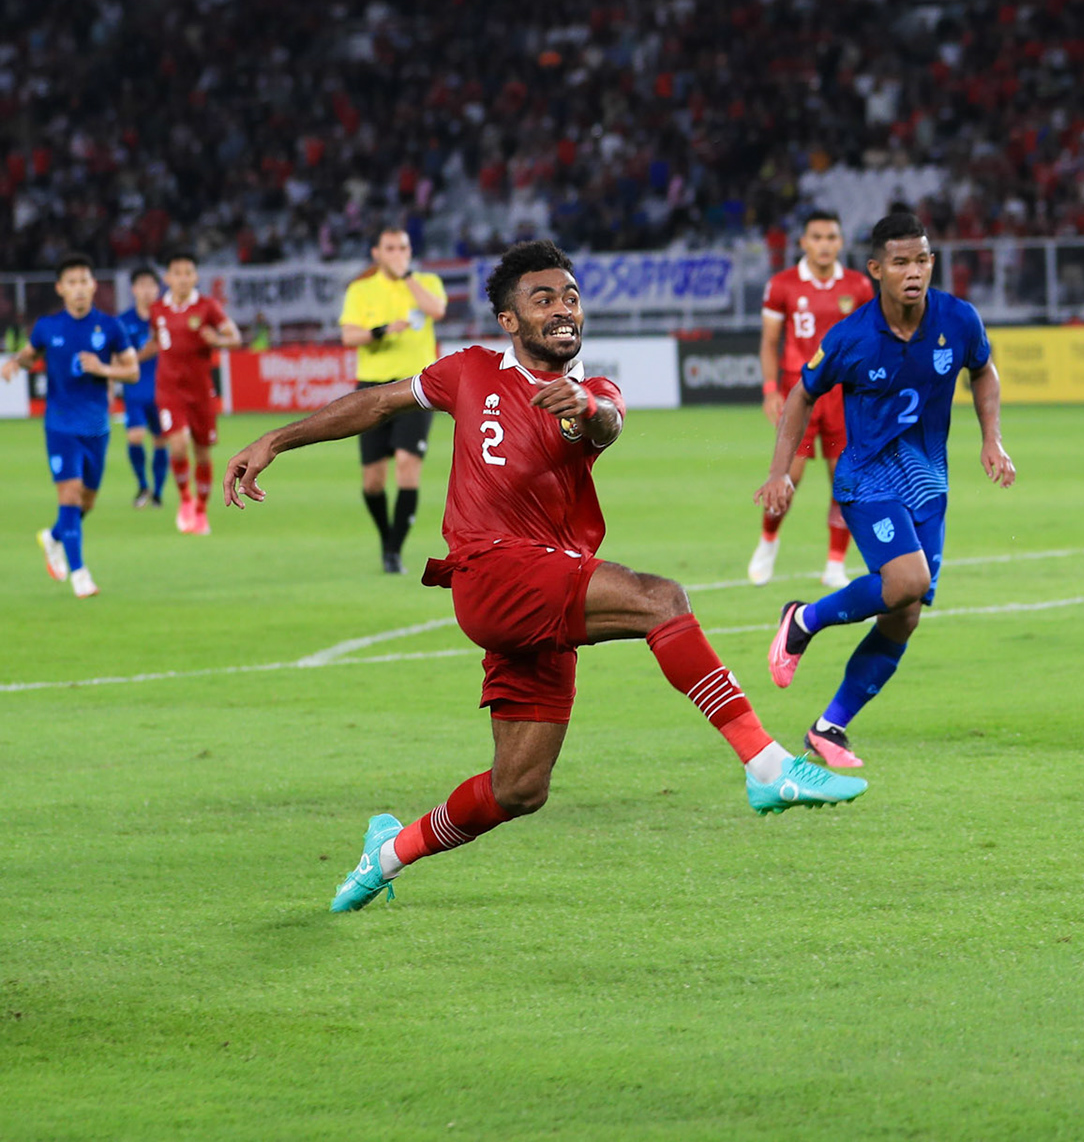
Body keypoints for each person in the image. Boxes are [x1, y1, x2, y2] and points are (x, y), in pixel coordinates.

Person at [224, 239, 866, 914]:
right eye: (544, 299)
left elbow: (607, 424)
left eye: (571, 298)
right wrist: (274, 440)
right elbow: (378, 403)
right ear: (509, 320)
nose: (564, 309)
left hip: (539, 588)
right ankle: (766, 766)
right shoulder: (469, 370)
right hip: (489, 571)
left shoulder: (591, 389)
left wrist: (586, 412)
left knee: (520, 787)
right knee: (660, 599)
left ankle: (386, 851)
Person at [756, 212, 1014, 769]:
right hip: (866, 478)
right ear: (876, 270)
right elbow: (801, 395)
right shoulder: (851, 337)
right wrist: (781, 471)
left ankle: (830, 727)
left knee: (906, 612)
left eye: (922, 259)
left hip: (927, 482)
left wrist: (992, 438)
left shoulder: (958, 320)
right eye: (900, 262)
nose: (913, 271)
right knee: (909, 580)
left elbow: (985, 372)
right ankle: (804, 620)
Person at [0, 254, 138, 598]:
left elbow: (132, 372)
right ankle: (80, 575)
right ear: (61, 289)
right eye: (71, 283)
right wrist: (17, 363)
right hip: (60, 426)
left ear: (94, 285)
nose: (79, 289)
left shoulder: (110, 327)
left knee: (86, 503)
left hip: (97, 428)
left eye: (84, 281)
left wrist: (103, 370)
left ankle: (53, 538)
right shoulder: (48, 326)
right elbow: (31, 354)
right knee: (70, 495)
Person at [748, 210, 872, 590]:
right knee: (790, 476)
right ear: (803, 242)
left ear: (840, 242)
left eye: (831, 237)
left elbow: (869, 342)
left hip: (843, 395)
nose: (824, 244)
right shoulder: (783, 285)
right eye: (816, 237)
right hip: (799, 392)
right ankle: (768, 541)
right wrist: (770, 389)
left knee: (844, 479)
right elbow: (770, 342)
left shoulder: (860, 286)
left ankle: (835, 564)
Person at [339, 226, 448, 573]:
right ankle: (387, 538)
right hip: (371, 388)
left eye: (403, 247)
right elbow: (348, 335)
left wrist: (408, 278)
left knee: (406, 465)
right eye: (391, 248)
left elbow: (438, 310)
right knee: (372, 480)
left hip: (416, 386)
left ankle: (394, 552)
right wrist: (382, 331)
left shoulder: (426, 281)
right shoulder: (361, 289)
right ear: (376, 253)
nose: (398, 253)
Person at [152, 249, 241, 534]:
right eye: (176, 273)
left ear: (195, 277)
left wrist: (216, 339)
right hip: (169, 391)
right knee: (177, 445)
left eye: (188, 273)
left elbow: (235, 338)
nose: (182, 279)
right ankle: (185, 501)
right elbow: (157, 341)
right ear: (167, 277)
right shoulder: (158, 309)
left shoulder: (207, 307)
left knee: (202, 454)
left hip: (201, 392)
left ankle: (202, 511)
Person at [117, 266, 169, 508]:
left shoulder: (166, 317)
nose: (147, 291)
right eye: (142, 286)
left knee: (161, 441)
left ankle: (157, 493)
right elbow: (114, 356)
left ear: (158, 289)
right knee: (135, 437)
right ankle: (142, 485)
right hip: (135, 391)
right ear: (133, 289)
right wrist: (139, 356)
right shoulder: (122, 322)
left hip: (163, 389)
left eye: (151, 286)